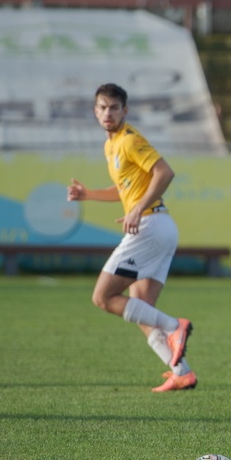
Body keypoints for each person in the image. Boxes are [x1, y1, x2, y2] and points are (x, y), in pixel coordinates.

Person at [66, 83, 194, 393]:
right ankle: (182, 372)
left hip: (149, 226)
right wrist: (88, 195)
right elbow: (123, 190)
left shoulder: (130, 141)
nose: (107, 113)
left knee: (103, 297)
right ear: (95, 111)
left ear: (125, 110)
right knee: (139, 306)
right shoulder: (110, 146)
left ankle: (175, 326)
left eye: (113, 107)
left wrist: (137, 209)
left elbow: (165, 172)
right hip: (160, 226)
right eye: (102, 107)